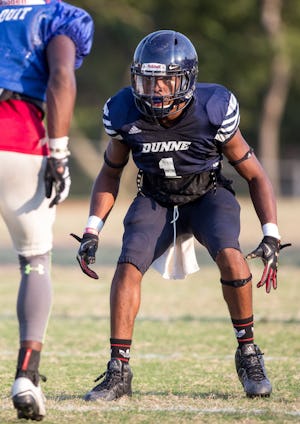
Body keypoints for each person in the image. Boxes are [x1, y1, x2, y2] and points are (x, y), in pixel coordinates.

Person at [72, 29, 290, 402]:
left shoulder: (213, 108)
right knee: (127, 267)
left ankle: (249, 353)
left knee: (233, 259)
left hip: (207, 194)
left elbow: (255, 174)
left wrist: (271, 233)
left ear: (186, 79)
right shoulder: (124, 112)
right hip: (155, 195)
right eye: (147, 79)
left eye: (164, 80)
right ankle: (118, 370)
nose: (154, 89)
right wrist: (92, 229)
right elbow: (110, 172)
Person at [0, 0, 94, 420]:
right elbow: (61, 77)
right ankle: (26, 376)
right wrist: (58, 151)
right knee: (34, 261)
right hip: (21, 140)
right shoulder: (57, 16)